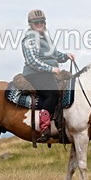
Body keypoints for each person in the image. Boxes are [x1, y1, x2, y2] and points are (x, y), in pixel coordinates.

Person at [21, 9, 75, 142]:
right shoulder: (30, 39)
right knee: (53, 93)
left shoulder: (46, 37)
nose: (39, 24)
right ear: (30, 24)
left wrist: (65, 56)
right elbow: (32, 61)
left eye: (41, 22)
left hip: (48, 72)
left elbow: (54, 55)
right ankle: (44, 127)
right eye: (36, 22)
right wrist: (51, 69)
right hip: (35, 74)